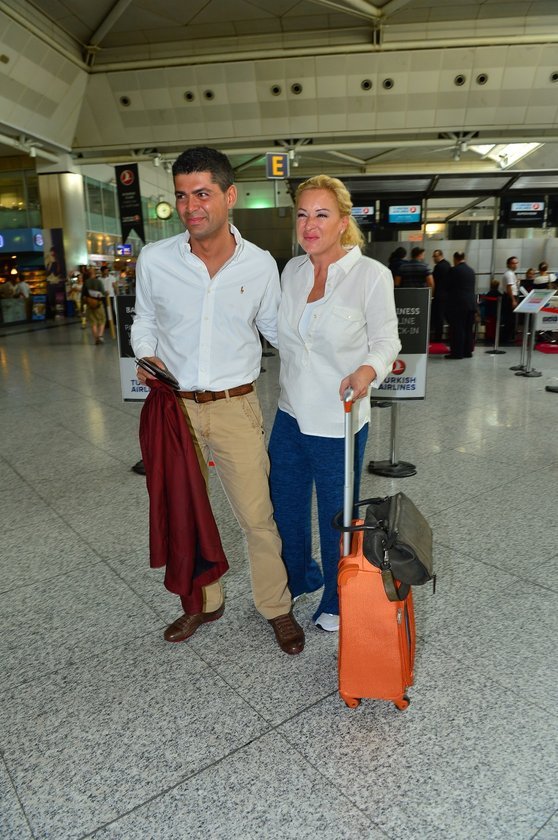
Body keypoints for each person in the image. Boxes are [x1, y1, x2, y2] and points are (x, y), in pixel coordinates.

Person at [131, 145, 304, 655]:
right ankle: (203, 602)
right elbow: (144, 320)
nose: (191, 207)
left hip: (235, 406)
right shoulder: (156, 259)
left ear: (230, 196)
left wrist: (329, 354)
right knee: (185, 512)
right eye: (182, 196)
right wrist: (145, 353)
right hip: (176, 407)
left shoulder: (260, 264)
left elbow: (275, 330)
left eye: (202, 194)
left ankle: (275, 606)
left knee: (257, 516)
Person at [268, 175, 400, 632]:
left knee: (337, 517)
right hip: (290, 413)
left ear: (343, 221)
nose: (310, 224)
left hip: (338, 419)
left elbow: (387, 341)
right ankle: (301, 576)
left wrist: (367, 370)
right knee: (284, 508)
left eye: (321, 214)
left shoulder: (370, 276)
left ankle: (339, 597)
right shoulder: (292, 271)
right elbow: (280, 334)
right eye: (303, 214)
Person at [445, 251, 477, 359]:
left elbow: (448, 286)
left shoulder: (454, 270)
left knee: (458, 329)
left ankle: (457, 353)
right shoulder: (471, 271)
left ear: (455, 259)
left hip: (458, 304)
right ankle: (467, 351)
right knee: (468, 329)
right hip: (471, 303)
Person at [430, 249, 451, 341]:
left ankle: (438, 337)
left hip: (439, 295)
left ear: (440, 256)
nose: (434, 258)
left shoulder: (438, 267)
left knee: (438, 317)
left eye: (435, 256)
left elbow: (434, 281)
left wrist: (432, 294)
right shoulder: (448, 264)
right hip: (447, 295)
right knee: (446, 316)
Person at [82, 266, 106, 345]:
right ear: (94, 273)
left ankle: (96, 339)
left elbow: (83, 295)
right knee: (102, 320)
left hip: (89, 304)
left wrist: (83, 305)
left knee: (93, 322)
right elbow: (103, 293)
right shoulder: (98, 282)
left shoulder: (85, 282)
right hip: (98, 304)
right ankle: (100, 336)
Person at [501, 256, 519, 344]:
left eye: (516, 263)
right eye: (513, 263)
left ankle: (508, 337)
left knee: (510, 319)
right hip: (509, 297)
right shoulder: (509, 274)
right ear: (508, 264)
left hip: (510, 297)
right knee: (510, 319)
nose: (515, 265)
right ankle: (506, 338)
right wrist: (513, 300)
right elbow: (509, 288)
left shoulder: (511, 274)